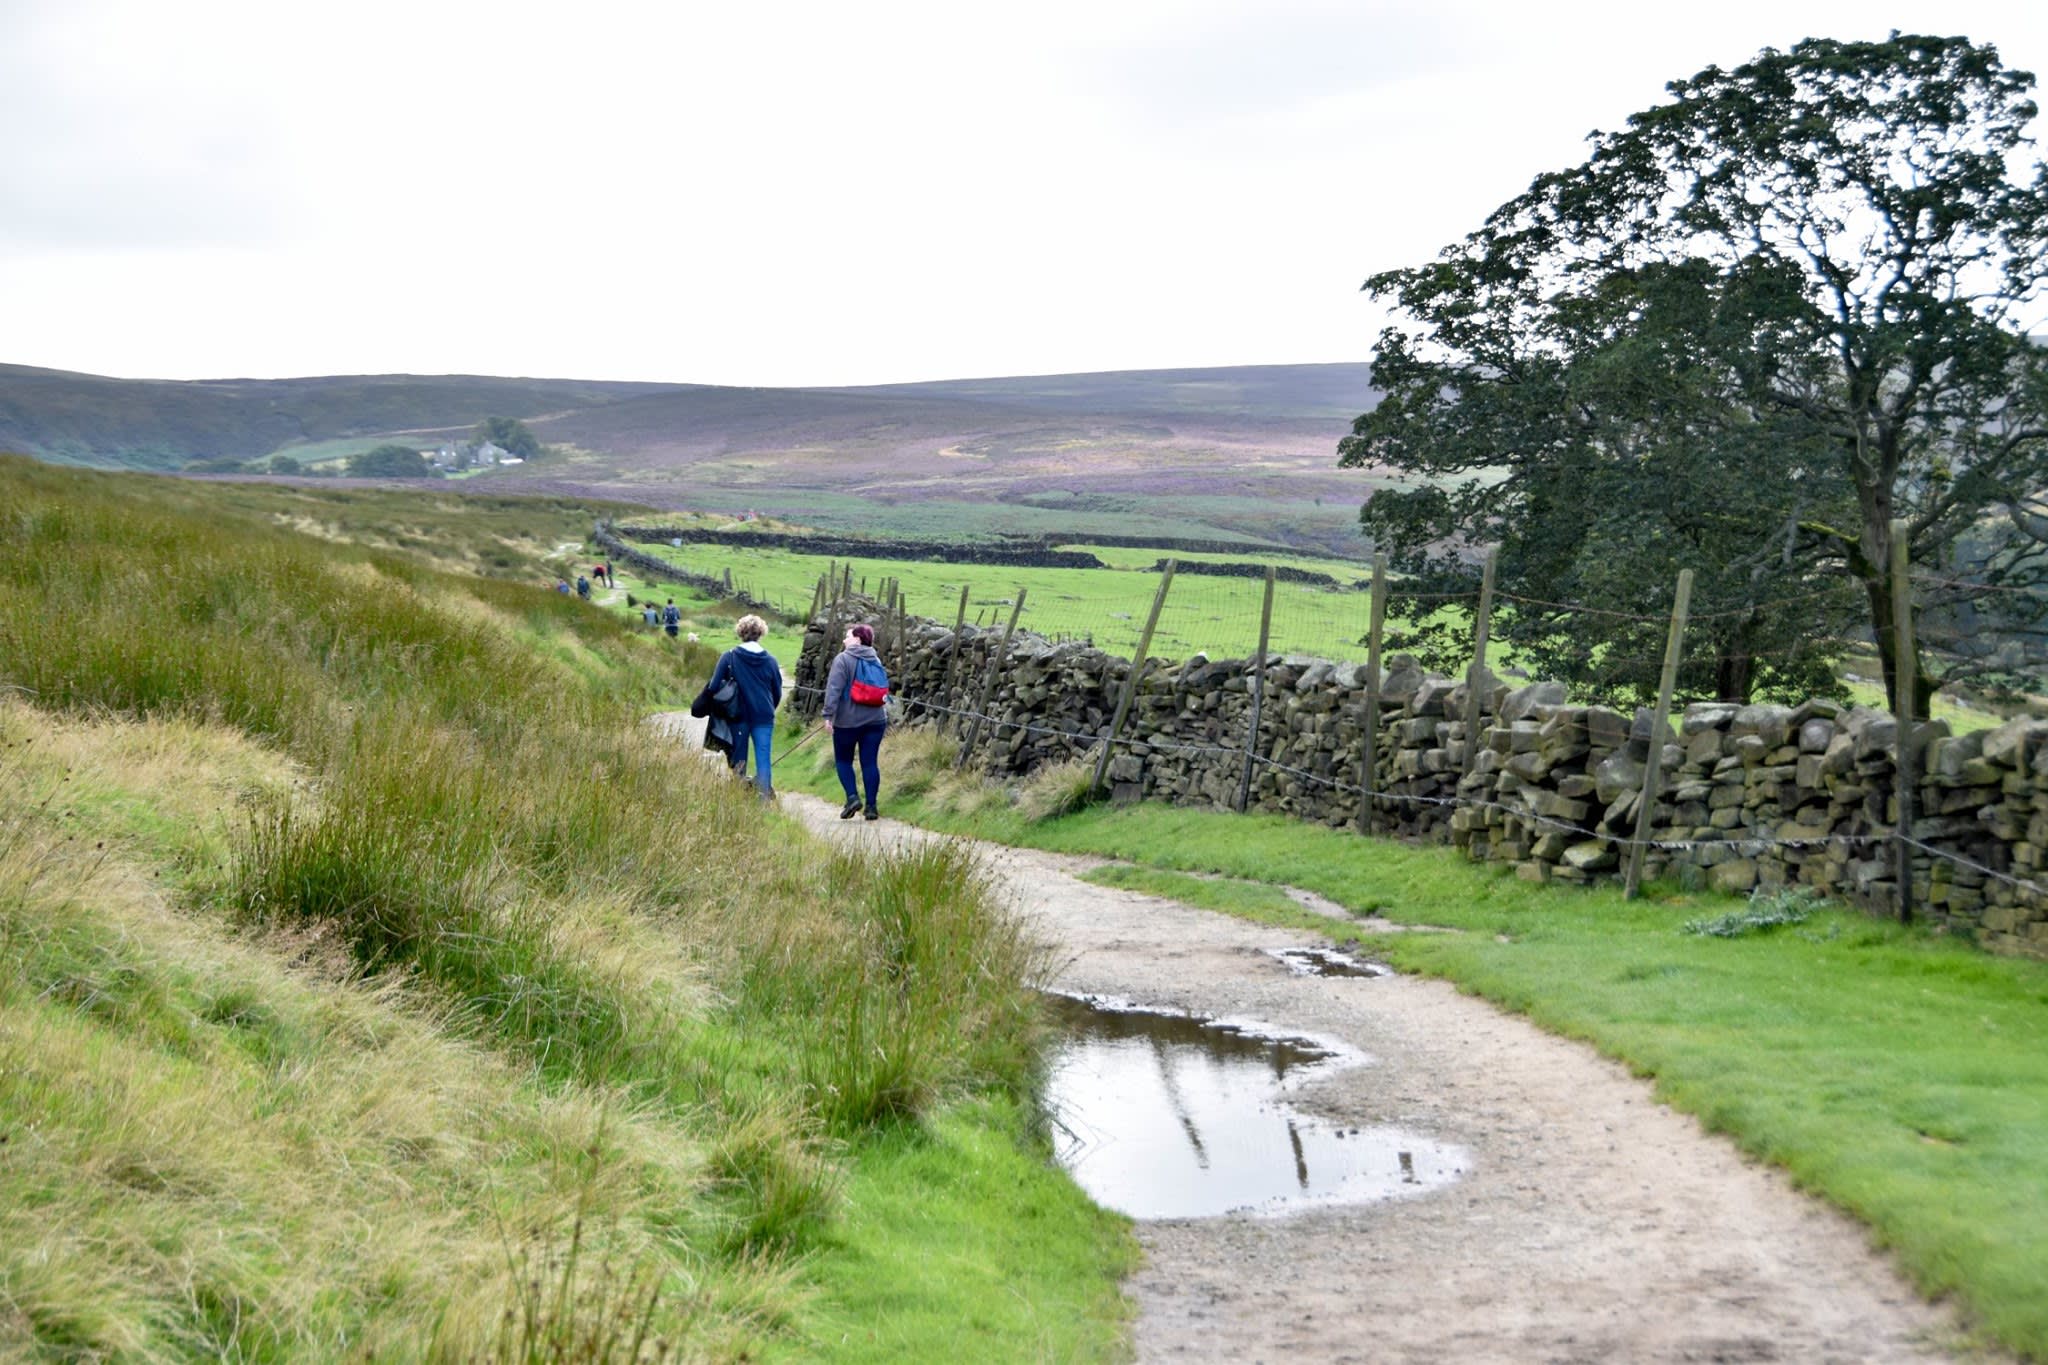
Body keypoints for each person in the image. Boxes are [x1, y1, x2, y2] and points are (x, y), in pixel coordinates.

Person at [709, 615, 783, 798]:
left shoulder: (729, 657)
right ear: (761, 633)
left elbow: (713, 686)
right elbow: (777, 691)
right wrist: (768, 708)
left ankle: (739, 797)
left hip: (738, 716)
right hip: (764, 716)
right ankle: (764, 800)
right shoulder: (771, 661)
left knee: (739, 759)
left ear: (741, 632)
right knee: (763, 760)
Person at [821, 622, 888, 820]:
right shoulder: (875, 658)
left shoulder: (843, 659)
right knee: (869, 763)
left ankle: (852, 797)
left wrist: (828, 715)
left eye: (848, 636)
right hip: (876, 719)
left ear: (857, 639)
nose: (844, 639)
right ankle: (871, 808)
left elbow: (834, 689)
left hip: (847, 721)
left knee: (843, 760)